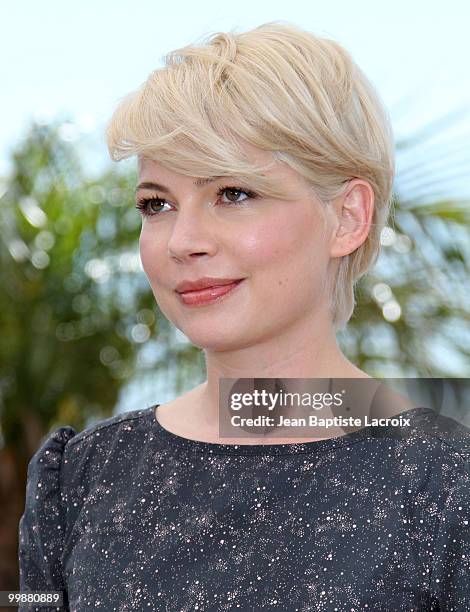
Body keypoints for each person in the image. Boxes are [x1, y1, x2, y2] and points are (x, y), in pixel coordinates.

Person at [18, 21, 470, 611]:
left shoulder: (448, 482)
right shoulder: (79, 479)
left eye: (233, 193)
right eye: (157, 203)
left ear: (348, 218)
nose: (183, 240)